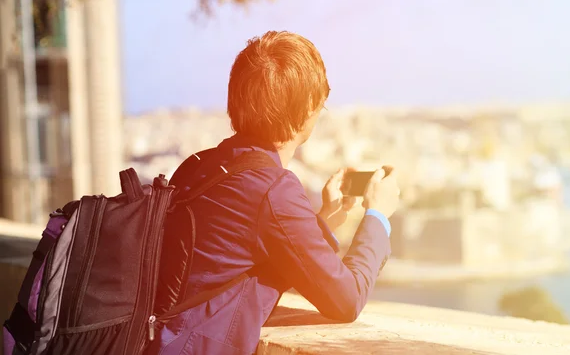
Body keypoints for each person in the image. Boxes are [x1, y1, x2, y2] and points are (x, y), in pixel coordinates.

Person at [148, 31, 400, 355]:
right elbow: (346, 300)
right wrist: (377, 216)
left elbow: (241, 256)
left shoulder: (198, 165)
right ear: (308, 109)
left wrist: (322, 220)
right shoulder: (272, 188)